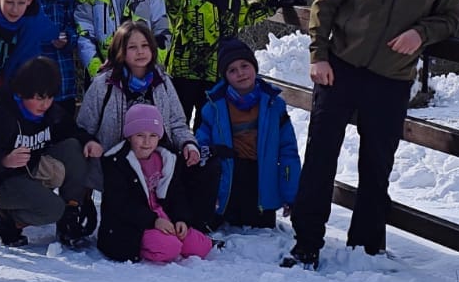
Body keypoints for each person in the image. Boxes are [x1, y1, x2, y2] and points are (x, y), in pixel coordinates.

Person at [284, 0, 459, 269]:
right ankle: (307, 241)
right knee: (320, 156)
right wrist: (319, 54)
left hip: (392, 76)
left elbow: (450, 18)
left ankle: (366, 248)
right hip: (341, 67)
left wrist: (421, 33)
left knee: (376, 164)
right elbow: (326, 0)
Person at [165, 0, 295, 125]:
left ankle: (203, 155)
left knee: (208, 125)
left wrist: (271, 4)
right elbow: (167, 12)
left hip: (217, 70)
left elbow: (242, 16)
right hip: (183, 69)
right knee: (175, 123)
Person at [0, 57, 94, 250]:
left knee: (72, 148)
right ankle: (7, 219)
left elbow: (70, 130)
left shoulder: (49, 112)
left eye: (50, 97)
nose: (45, 104)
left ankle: (71, 214)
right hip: (1, 181)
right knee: (52, 209)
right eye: (39, 98)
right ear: (22, 93)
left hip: (31, 170)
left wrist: (89, 141)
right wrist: (4, 161)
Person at [76, 19, 200, 201]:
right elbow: (84, 127)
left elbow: (177, 124)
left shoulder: (163, 82)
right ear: (120, 51)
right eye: (132, 47)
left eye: (145, 45)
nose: (140, 51)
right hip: (116, 164)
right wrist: (90, 143)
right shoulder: (104, 84)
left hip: (157, 159)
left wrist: (188, 144)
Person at [197, 39, 301, 231]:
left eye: (244, 66)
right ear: (225, 76)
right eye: (232, 70)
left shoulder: (273, 106)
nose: (240, 73)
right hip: (228, 183)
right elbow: (201, 144)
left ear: (254, 66)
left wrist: (291, 195)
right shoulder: (214, 107)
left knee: (258, 226)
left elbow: (288, 152)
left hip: (261, 181)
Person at [98, 104, 214, 264]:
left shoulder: (166, 159)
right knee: (169, 248)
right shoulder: (117, 162)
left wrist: (181, 219)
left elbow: (176, 193)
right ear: (129, 136)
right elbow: (120, 204)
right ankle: (145, 247)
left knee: (201, 247)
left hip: (164, 217)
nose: (147, 142)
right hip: (133, 225)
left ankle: (172, 237)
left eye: (153, 135)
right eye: (140, 135)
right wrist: (153, 221)